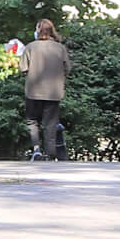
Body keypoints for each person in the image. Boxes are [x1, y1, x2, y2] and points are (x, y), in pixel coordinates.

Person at [18, 19, 71, 161]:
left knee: (32, 121)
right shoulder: (60, 48)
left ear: (38, 30)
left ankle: (36, 149)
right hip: (54, 93)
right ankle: (50, 153)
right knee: (50, 123)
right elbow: (67, 69)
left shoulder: (30, 47)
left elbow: (23, 68)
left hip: (33, 91)